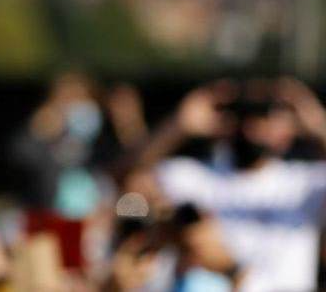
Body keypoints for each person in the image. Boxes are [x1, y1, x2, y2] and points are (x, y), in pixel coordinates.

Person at [126, 78, 326, 292]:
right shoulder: (193, 176)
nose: (255, 125)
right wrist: (178, 126)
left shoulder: (305, 182)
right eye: (245, 114)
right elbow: (124, 191)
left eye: (267, 113)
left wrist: (316, 123)